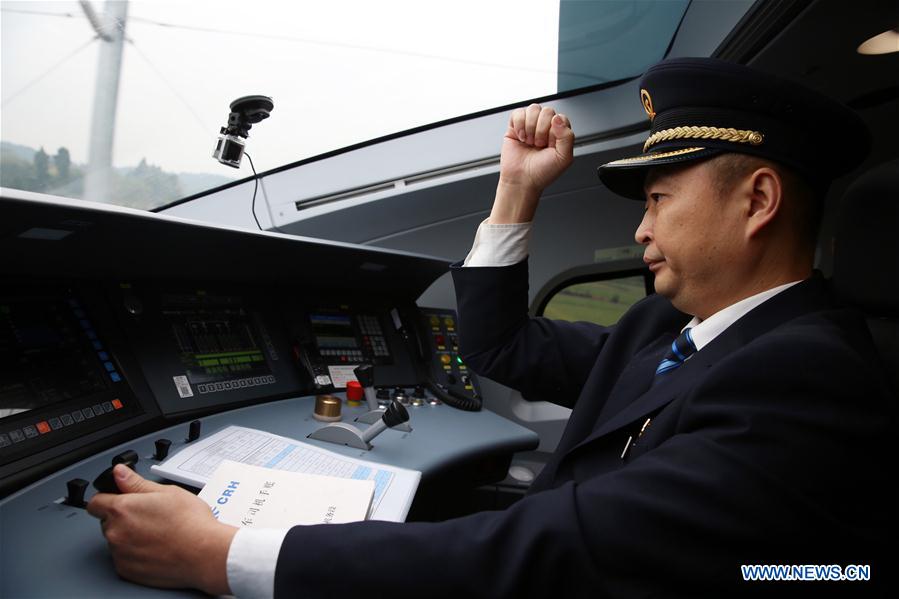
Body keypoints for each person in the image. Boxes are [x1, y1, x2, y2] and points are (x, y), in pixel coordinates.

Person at [87, 58, 895, 598]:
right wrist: (516, 191)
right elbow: (504, 347)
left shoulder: (809, 374)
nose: (642, 232)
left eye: (657, 200)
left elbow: (573, 551)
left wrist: (221, 556)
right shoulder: (668, 326)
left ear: (756, 201)